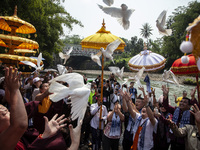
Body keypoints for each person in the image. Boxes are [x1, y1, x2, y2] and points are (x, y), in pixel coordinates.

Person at [0, 66, 83, 150]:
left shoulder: (19, 138)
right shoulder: (4, 142)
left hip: (49, 125)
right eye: (4, 113)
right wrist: (75, 144)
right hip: (40, 123)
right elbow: (20, 123)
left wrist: (45, 135)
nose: (10, 113)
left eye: (7, 110)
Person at [162, 85, 196, 150]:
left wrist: (193, 97)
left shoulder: (192, 114)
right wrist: (166, 95)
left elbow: (198, 108)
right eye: (181, 101)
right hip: (173, 139)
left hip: (185, 142)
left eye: (185, 102)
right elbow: (166, 106)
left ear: (189, 106)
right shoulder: (175, 110)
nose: (182, 103)